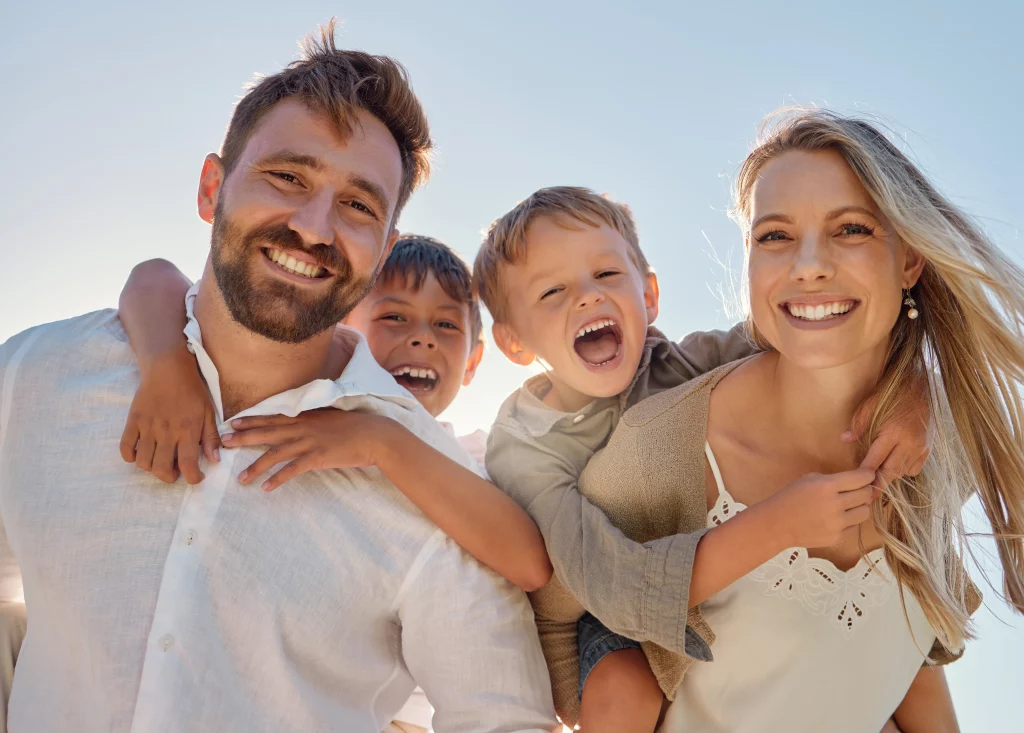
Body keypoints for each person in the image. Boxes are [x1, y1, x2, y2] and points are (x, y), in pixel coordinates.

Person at [0, 22, 557, 733]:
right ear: (212, 187)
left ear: (381, 249)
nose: (316, 226)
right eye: (287, 176)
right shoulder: (36, 378)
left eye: (358, 205)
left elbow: (502, 716)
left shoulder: (430, 485)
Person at [595, 108, 1024, 732]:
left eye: (850, 229)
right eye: (774, 236)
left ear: (910, 261)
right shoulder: (662, 448)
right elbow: (552, 619)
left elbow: (907, 654)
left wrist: (919, 386)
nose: (809, 264)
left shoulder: (943, 442)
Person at [475, 186, 933, 730]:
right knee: (624, 693)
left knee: (885, 617)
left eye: (606, 275)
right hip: (601, 604)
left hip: (702, 563)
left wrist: (912, 390)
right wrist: (777, 525)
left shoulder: (689, 362)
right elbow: (598, 576)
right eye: (552, 291)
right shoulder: (526, 443)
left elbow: (819, 343)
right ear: (514, 344)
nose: (586, 298)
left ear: (649, 295)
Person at [115, 233, 550, 732]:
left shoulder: (464, 457)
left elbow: (527, 562)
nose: (423, 337)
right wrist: (166, 363)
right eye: (394, 317)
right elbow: (153, 275)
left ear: (472, 361)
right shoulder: (292, 404)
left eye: (446, 325)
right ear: (340, 321)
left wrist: (381, 441)